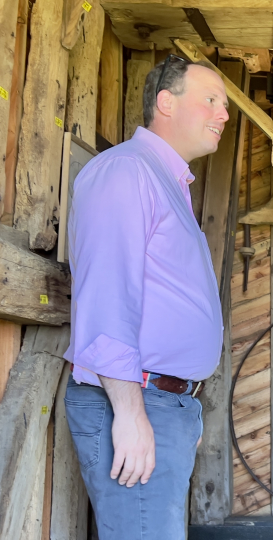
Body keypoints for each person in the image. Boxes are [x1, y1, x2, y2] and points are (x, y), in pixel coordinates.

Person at [62, 55, 229, 539]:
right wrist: (132, 413)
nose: (223, 114)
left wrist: (182, 408)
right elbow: (108, 294)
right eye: (211, 100)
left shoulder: (164, 180)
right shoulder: (126, 171)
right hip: (135, 398)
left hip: (161, 402)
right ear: (165, 103)